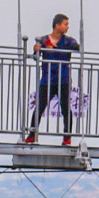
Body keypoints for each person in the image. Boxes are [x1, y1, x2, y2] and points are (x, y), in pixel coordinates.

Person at [26, 13, 80, 146]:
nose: (67, 27)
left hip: (64, 79)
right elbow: (35, 56)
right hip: (48, 79)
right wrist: (37, 50)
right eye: (65, 24)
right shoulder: (43, 40)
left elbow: (78, 48)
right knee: (39, 106)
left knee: (66, 108)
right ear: (57, 25)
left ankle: (67, 137)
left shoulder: (68, 41)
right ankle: (32, 134)